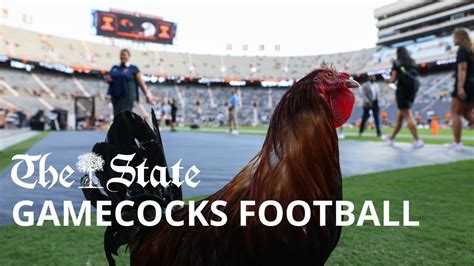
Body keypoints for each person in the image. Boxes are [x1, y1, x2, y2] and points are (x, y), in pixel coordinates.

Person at [384, 47, 424, 148]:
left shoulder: (397, 63)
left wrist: (387, 81)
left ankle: (417, 139)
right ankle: (391, 138)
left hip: (402, 90)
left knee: (407, 114)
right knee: (401, 115)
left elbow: (393, 79)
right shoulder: (412, 61)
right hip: (412, 90)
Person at [446, 28, 474, 149]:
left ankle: (457, 143)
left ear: (459, 37)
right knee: (467, 113)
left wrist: (460, 87)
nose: (453, 39)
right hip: (473, 85)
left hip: (466, 84)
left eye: (454, 36)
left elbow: (463, 69)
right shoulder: (471, 50)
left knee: (456, 113)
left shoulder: (462, 50)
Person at [107, 49, 154, 116]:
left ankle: (125, 126)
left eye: (124, 55)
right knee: (116, 115)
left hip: (128, 96)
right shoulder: (115, 67)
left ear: (129, 56)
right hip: (115, 95)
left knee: (125, 115)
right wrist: (108, 79)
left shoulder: (133, 68)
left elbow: (140, 82)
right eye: (121, 55)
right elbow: (108, 77)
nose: (122, 56)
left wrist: (147, 94)